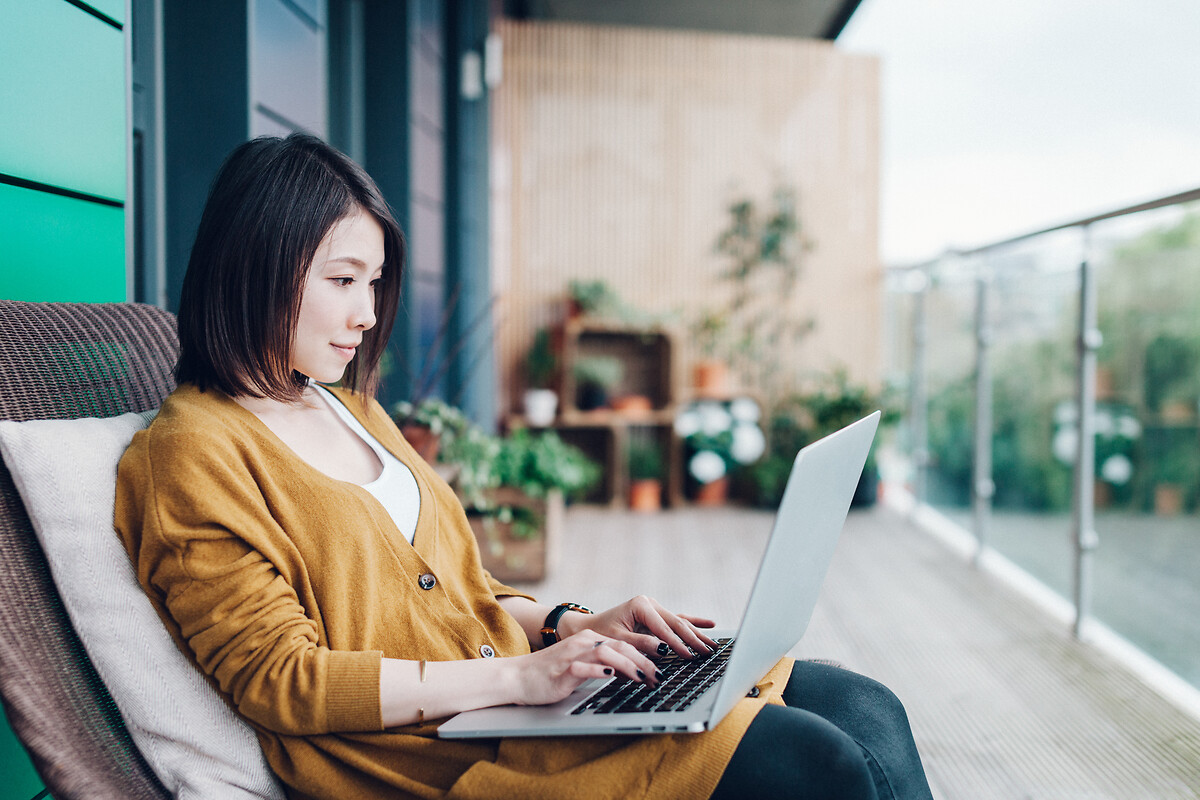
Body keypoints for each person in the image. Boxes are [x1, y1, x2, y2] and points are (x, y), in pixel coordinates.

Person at [116, 133, 934, 800]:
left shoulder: (347, 407)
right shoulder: (190, 453)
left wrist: (570, 627)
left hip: (519, 703)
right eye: (342, 280)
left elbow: (464, 592)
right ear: (256, 267)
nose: (366, 314)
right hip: (438, 758)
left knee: (865, 705)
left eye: (374, 282)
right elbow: (282, 681)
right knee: (814, 763)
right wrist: (521, 678)